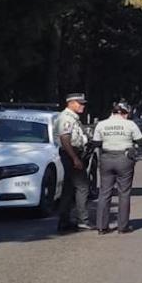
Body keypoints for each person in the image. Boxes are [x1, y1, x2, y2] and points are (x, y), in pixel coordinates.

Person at [92, 102, 142, 234]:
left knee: (104, 193)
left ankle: (102, 227)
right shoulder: (130, 124)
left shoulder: (101, 124)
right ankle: (123, 227)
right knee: (124, 193)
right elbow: (141, 141)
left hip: (106, 158)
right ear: (124, 113)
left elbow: (96, 142)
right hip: (124, 158)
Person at [56, 93, 92, 233]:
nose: (82, 106)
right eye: (79, 103)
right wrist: (75, 158)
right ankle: (82, 220)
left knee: (69, 188)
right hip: (71, 154)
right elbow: (65, 139)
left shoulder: (73, 118)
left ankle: (65, 221)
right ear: (70, 103)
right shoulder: (66, 118)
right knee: (82, 187)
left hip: (73, 154)